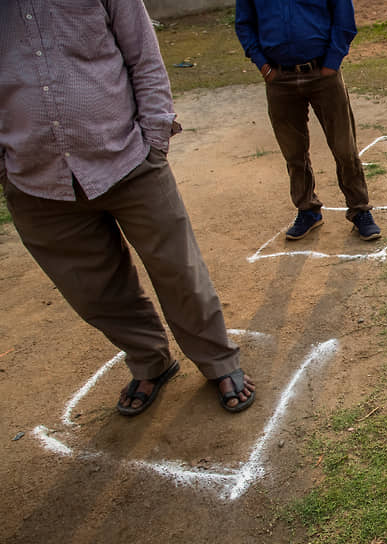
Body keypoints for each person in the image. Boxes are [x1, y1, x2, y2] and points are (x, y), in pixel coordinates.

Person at [0, 1, 255, 415]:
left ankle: (218, 361)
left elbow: (143, 57)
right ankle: (150, 360)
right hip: (36, 180)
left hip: (127, 158)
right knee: (94, 291)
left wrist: (154, 140)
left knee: (179, 271)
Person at [236, 0, 382, 240]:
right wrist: (263, 66)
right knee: (293, 152)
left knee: (344, 146)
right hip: (279, 77)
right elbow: (244, 24)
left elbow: (343, 18)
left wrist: (332, 62)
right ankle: (307, 210)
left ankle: (359, 210)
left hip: (323, 74)